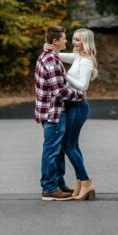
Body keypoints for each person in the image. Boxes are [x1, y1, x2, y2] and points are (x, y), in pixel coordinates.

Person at [35, 25, 83, 201]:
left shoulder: (49, 56)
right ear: (55, 41)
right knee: (51, 151)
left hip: (50, 111)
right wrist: (79, 95)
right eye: (64, 38)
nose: (66, 40)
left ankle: (59, 184)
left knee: (58, 150)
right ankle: (49, 188)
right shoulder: (52, 62)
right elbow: (60, 92)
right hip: (53, 112)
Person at [57, 27, 98, 200]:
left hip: (79, 106)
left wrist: (65, 76)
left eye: (78, 40)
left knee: (69, 146)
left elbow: (83, 86)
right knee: (74, 145)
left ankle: (87, 182)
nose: (74, 43)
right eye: (73, 39)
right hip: (72, 105)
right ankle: (81, 182)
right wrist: (48, 48)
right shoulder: (78, 57)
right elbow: (58, 56)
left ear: (86, 42)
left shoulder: (87, 60)